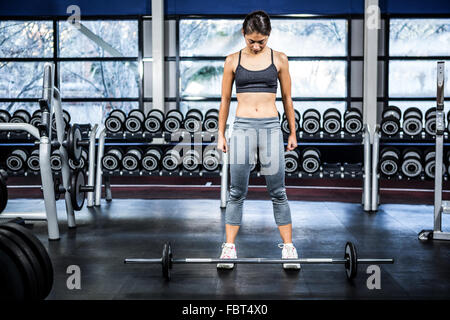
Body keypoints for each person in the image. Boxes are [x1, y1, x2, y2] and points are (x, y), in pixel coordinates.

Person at [216, 10, 300, 270]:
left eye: (261, 41)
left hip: (271, 129)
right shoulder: (232, 61)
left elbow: (287, 99)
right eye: (251, 40)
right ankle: (229, 249)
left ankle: (288, 248)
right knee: (236, 192)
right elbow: (225, 100)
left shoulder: (280, 59)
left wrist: (293, 132)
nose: (255, 45)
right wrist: (220, 133)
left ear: (269, 36)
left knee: (278, 191)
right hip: (241, 128)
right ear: (243, 34)